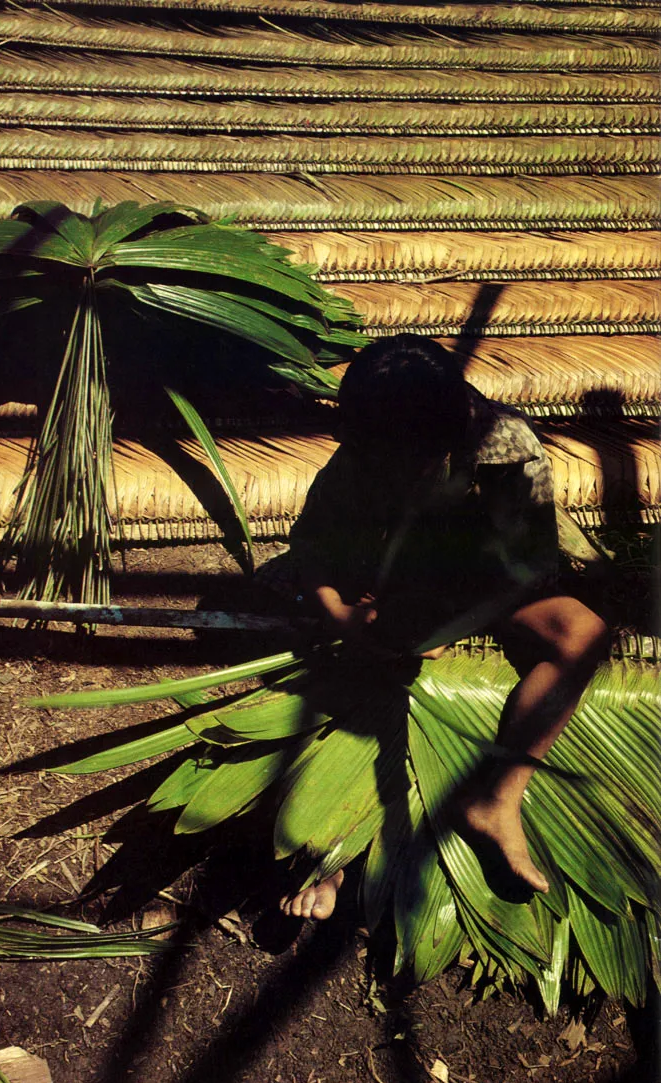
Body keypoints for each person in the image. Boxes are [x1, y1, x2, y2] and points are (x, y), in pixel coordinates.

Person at [257, 335, 609, 920]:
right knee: (362, 668)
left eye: (411, 455)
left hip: (483, 575)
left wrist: (452, 620)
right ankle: (332, 856)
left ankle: (499, 800)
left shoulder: (505, 448)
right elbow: (314, 545)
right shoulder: (367, 444)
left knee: (583, 633)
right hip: (381, 569)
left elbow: (525, 572)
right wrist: (339, 612)